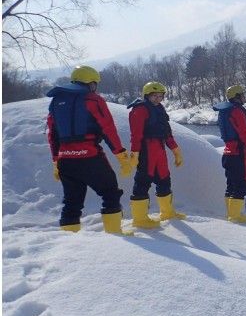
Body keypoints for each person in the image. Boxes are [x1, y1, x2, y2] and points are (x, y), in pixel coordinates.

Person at [46, 65, 134, 234]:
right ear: (90, 83)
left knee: (72, 202)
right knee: (110, 194)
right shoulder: (94, 100)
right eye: (95, 84)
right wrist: (121, 156)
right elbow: (108, 129)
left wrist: (56, 161)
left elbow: (52, 134)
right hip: (90, 158)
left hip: (66, 161)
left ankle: (69, 242)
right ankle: (115, 234)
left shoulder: (56, 101)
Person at [127, 81, 186, 228]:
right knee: (143, 181)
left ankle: (167, 212)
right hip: (146, 149)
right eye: (155, 96)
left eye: (160, 96)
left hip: (159, 149)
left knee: (164, 179)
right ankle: (139, 219)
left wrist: (175, 150)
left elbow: (166, 132)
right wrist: (135, 153)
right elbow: (136, 134)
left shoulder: (159, 109)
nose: (158, 99)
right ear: (147, 95)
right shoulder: (139, 110)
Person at [212, 85, 246, 223]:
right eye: (242, 94)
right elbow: (244, 133)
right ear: (237, 96)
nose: (244, 97)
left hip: (228, 152)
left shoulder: (225, 111)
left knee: (231, 184)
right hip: (238, 152)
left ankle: (231, 214)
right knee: (241, 185)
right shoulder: (236, 111)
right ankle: (235, 217)